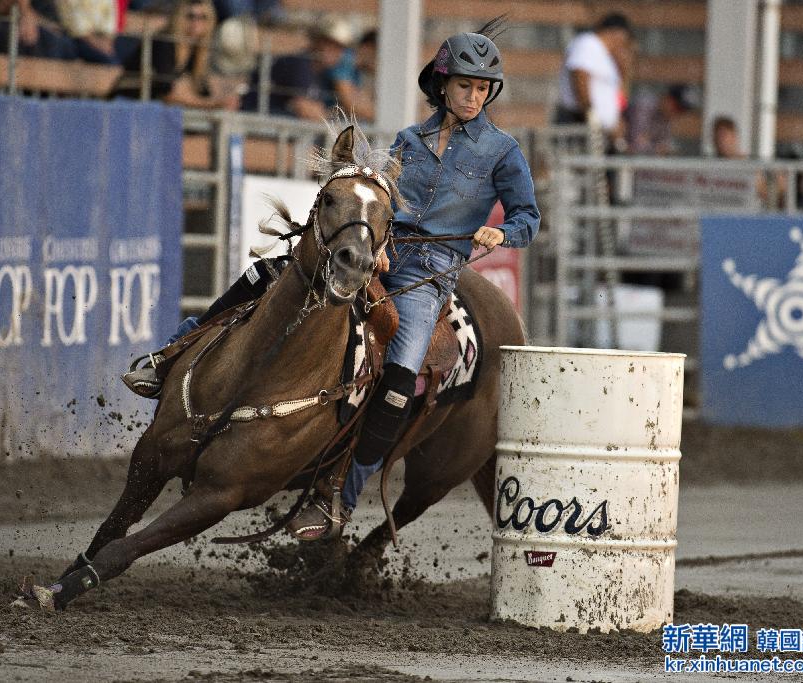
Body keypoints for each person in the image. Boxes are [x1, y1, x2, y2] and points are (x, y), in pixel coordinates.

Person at [286, 27, 541, 541]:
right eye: (466, 86)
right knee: (284, 286)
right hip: (384, 254)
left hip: (431, 271)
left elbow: (529, 218)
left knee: (400, 377)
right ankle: (186, 345)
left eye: (483, 88)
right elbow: (383, 204)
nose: (475, 97)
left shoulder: (502, 150)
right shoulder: (407, 139)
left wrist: (502, 230)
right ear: (443, 84)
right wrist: (375, 246)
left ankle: (339, 498)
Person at [113, 0, 238, 110]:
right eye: (191, 16)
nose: (196, 23)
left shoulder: (197, 50)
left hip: (151, 110)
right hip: (127, 105)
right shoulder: (164, 42)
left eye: (203, 17)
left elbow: (202, 90)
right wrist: (211, 104)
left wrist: (223, 101)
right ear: (179, 17)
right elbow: (168, 92)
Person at [239, 17, 349, 119]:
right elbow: (304, 107)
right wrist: (332, 124)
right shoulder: (299, 63)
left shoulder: (321, 73)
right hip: (255, 118)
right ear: (317, 41)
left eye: (339, 48)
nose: (334, 52)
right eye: (329, 44)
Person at [555, 12, 633, 146]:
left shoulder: (607, 57)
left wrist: (617, 119)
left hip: (602, 132)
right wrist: (590, 114)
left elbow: (617, 95)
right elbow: (580, 76)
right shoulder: (589, 43)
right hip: (580, 121)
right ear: (617, 32)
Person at [626, 84, 698, 156]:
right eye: (678, 107)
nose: (678, 113)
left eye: (682, 111)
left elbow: (665, 146)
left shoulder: (665, 118)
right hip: (619, 156)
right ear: (667, 99)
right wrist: (656, 148)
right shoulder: (644, 107)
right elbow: (635, 144)